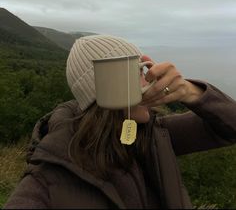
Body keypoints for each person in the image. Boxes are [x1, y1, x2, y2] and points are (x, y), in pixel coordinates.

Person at [4, 34, 236, 209]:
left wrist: (190, 92)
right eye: (137, 73)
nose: (148, 81)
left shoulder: (156, 135)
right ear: (105, 91)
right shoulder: (45, 183)